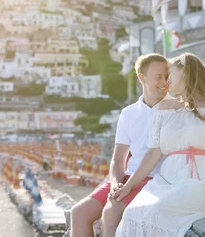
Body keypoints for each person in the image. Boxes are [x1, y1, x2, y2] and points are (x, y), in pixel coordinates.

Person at [113, 53, 205, 237]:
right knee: (133, 213)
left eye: (170, 74)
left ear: (185, 73)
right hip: (165, 181)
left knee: (156, 210)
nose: (166, 80)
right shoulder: (164, 109)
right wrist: (128, 186)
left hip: (200, 181)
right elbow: (153, 153)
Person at [69, 54, 171, 237]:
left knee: (111, 210)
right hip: (127, 178)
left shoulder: (174, 109)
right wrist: (116, 183)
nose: (164, 82)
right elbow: (118, 159)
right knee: (79, 212)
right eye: (158, 77)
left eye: (167, 76)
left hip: (155, 180)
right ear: (142, 77)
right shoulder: (128, 113)